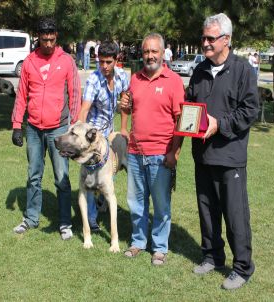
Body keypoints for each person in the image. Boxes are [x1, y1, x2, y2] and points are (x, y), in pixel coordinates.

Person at [186, 13, 259, 290]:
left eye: (210, 38)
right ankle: (212, 256)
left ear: (226, 40)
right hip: (202, 155)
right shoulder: (200, 70)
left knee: (235, 214)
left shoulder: (242, 70)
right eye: (203, 37)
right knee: (207, 210)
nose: (204, 42)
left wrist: (220, 125)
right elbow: (191, 103)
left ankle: (242, 267)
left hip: (230, 157)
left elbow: (250, 110)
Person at [11, 17, 81, 240]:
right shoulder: (30, 61)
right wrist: (16, 126)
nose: (48, 44)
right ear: (38, 38)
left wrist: (75, 126)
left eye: (51, 39)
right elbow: (21, 94)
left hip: (59, 129)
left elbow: (75, 94)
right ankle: (31, 218)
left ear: (56, 37)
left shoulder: (66, 61)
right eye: (44, 39)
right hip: (33, 128)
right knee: (33, 175)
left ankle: (64, 223)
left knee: (62, 177)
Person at [120, 33, 184, 265]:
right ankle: (138, 242)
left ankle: (159, 247)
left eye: (154, 51)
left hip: (161, 154)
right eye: (146, 51)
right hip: (136, 152)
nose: (149, 56)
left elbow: (181, 120)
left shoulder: (174, 81)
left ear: (162, 53)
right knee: (136, 203)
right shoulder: (135, 78)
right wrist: (124, 128)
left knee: (161, 204)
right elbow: (126, 106)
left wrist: (174, 153)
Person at [78, 41, 130, 231]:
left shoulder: (123, 77)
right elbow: (84, 110)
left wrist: (123, 129)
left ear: (117, 60)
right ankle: (91, 220)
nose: (104, 66)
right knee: (90, 176)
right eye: (101, 62)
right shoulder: (93, 80)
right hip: (93, 135)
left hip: (110, 132)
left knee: (108, 172)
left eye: (108, 62)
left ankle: (102, 202)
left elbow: (125, 104)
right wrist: (82, 136)